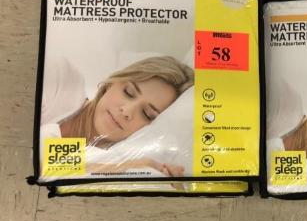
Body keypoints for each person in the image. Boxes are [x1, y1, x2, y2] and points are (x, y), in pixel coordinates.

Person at [40, 56, 194, 176]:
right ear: (112, 83)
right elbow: (37, 160)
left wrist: (138, 166)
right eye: (128, 92)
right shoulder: (62, 78)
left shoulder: (108, 157)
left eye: (147, 114)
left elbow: (54, 164)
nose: (126, 111)